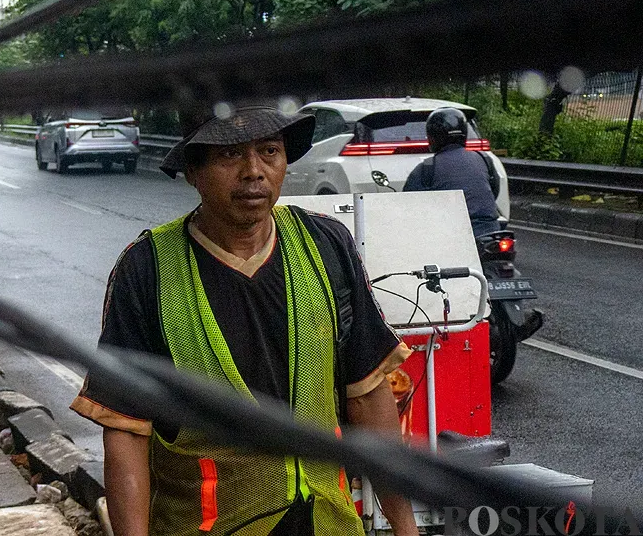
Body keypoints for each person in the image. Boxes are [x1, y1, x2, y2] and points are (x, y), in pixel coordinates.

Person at [70, 105, 417, 536]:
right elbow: (126, 432)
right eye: (230, 155)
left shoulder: (326, 245)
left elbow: (367, 394)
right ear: (193, 171)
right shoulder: (147, 270)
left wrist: (404, 524)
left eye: (269, 150)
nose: (254, 171)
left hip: (327, 522)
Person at [402, 107, 501, 238]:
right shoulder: (484, 158)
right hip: (491, 231)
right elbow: (494, 190)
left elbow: (408, 206)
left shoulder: (427, 168)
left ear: (433, 137)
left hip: (454, 236)